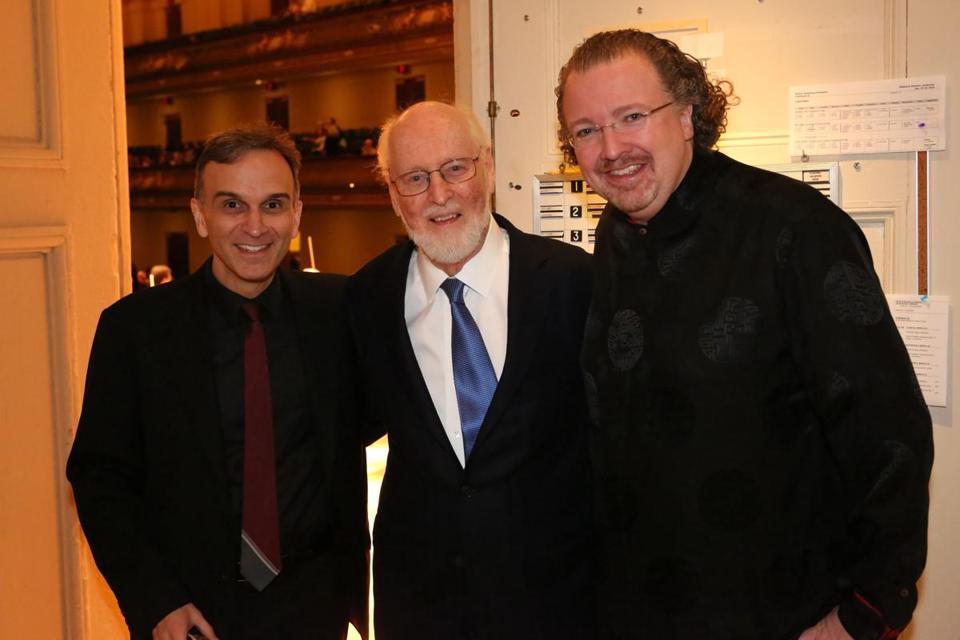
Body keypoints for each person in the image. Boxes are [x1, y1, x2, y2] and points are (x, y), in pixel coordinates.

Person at [556, 29, 934, 640]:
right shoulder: (617, 237)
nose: (611, 148)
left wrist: (866, 610)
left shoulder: (796, 230)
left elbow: (888, 431)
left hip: (779, 615)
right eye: (586, 130)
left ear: (686, 114)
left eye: (631, 116)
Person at [67, 123, 368, 640]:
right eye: (232, 205)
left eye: (273, 205)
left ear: (296, 214)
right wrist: (157, 602)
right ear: (199, 215)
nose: (255, 226)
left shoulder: (340, 310)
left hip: (314, 609)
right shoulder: (134, 329)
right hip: (191, 614)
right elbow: (100, 481)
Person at [347, 101, 596, 639]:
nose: (439, 195)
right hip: (420, 606)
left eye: (455, 168)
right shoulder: (365, 299)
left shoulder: (573, 283)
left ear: (486, 167)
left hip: (557, 604)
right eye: (414, 178)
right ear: (392, 194)